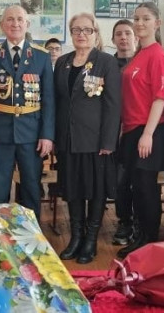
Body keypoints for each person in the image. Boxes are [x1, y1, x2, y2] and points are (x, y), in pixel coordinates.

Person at [54, 13, 120, 264]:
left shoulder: (106, 62)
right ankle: (76, 237)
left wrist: (108, 141)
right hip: (68, 139)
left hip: (95, 141)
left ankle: (90, 240)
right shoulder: (63, 62)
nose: (81, 34)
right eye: (76, 30)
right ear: (71, 33)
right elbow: (57, 102)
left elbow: (113, 105)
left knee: (95, 190)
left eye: (87, 30)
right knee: (72, 189)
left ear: (95, 33)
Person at [0, 5, 54, 221]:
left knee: (31, 187)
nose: (15, 24)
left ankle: (31, 233)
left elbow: (49, 100)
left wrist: (47, 135)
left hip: (32, 133)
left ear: (27, 24)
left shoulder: (41, 56)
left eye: (20, 19)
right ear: (2, 25)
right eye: (10, 19)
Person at [116, 2, 164, 258]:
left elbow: (160, 97)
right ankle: (140, 235)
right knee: (136, 187)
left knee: (146, 188)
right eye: (136, 18)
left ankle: (148, 240)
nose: (139, 23)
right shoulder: (139, 53)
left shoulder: (158, 55)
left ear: (157, 23)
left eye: (145, 19)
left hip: (148, 130)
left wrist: (148, 134)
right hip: (131, 129)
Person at [110, 19, 137, 245]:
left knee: (141, 181)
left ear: (135, 37)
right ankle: (124, 220)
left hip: (139, 130)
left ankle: (141, 222)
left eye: (127, 33)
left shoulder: (143, 61)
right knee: (120, 180)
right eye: (119, 34)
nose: (123, 37)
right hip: (114, 131)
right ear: (113, 39)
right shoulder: (107, 64)